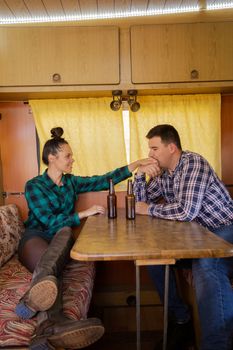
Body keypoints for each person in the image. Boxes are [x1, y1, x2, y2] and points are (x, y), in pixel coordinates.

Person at [16, 126, 155, 350]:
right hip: (35, 237)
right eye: (68, 155)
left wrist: (136, 164)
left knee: (61, 241)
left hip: (60, 238)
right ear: (52, 157)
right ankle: (52, 331)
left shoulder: (71, 182)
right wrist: (82, 213)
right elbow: (48, 221)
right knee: (49, 274)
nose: (72, 159)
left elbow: (103, 180)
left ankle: (33, 307)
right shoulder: (34, 186)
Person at [133, 124, 233, 350]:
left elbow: (186, 211)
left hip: (225, 229)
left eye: (154, 148)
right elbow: (142, 201)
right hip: (198, 235)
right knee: (154, 260)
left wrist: (148, 209)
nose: (149, 154)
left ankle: (216, 345)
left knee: (207, 263)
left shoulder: (193, 164)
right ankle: (181, 319)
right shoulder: (166, 173)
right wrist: (140, 175)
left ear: (171, 148)